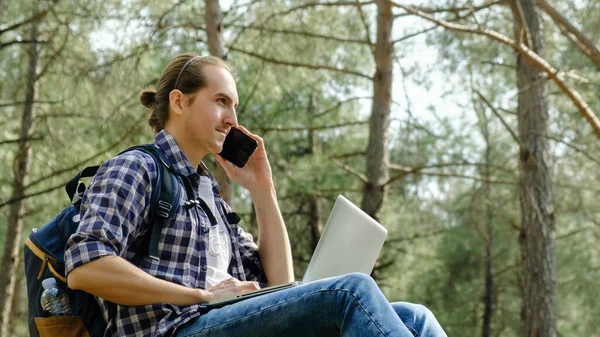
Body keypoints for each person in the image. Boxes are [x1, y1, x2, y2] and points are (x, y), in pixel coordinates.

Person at [64, 53, 447, 337]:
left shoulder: (209, 196)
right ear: (179, 102)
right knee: (351, 291)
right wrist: (199, 295)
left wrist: (264, 191)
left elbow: (280, 282)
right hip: (172, 330)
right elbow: (86, 268)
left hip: (217, 323)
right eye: (220, 101)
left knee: (416, 316)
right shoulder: (137, 167)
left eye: (234, 104)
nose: (233, 117)